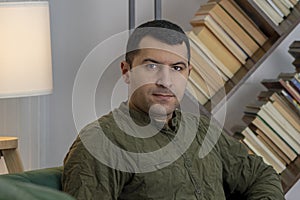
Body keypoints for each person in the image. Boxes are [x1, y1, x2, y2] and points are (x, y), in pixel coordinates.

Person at [62, 20, 284, 200]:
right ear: (126, 71)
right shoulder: (101, 143)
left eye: (177, 68)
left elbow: (259, 175)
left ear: (188, 73)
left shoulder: (200, 130)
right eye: (151, 66)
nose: (165, 81)